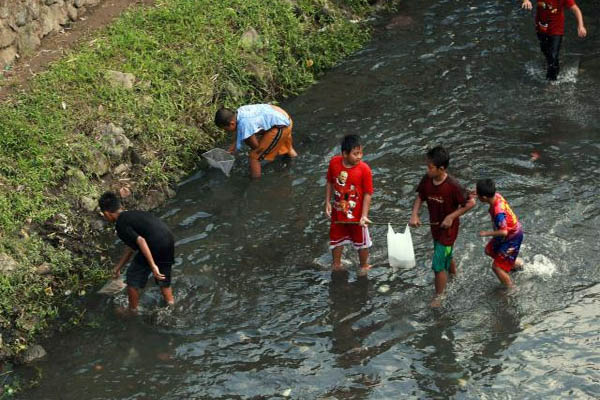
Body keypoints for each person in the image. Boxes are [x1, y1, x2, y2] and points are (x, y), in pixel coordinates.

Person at [409, 146, 475, 301]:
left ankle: (439, 297)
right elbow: (420, 196)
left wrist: (452, 216)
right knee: (445, 254)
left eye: (430, 167)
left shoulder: (453, 186)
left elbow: (471, 202)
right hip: (435, 228)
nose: (427, 170)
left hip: (448, 231)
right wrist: (414, 215)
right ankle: (454, 275)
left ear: (441, 168)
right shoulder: (427, 179)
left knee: (438, 265)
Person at [99, 192, 175, 312]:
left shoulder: (121, 224)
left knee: (132, 277)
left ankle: (132, 311)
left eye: (104, 215)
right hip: (168, 240)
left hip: (153, 244)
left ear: (106, 213)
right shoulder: (132, 215)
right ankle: (171, 305)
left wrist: (153, 266)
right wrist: (118, 268)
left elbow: (140, 241)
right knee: (163, 277)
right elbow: (131, 247)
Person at [325, 134, 373, 277]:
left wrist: (364, 215)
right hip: (338, 212)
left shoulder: (364, 169)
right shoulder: (334, 163)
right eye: (355, 153)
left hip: (357, 216)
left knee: (361, 243)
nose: (359, 156)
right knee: (336, 239)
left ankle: (364, 265)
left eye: (360, 153)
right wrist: (327, 202)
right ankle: (336, 264)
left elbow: (368, 193)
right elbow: (329, 182)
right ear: (344, 154)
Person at [214, 104, 298, 178]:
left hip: (281, 126)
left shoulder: (244, 124)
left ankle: (255, 183)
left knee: (254, 157)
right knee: (286, 147)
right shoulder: (240, 112)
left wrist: (260, 151)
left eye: (226, 129)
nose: (226, 131)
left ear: (232, 123)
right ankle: (295, 163)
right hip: (282, 116)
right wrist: (234, 145)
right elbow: (241, 130)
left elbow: (256, 147)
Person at [521, 0, 587, 81]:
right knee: (545, 51)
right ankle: (551, 64)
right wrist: (526, 0)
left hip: (557, 30)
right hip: (541, 28)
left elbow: (576, 9)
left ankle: (551, 83)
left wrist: (581, 26)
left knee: (553, 56)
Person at [476, 179, 524, 287]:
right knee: (489, 250)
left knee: (496, 267)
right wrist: (475, 192)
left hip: (512, 237)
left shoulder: (498, 212)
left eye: (477, 194)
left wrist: (486, 233)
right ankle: (516, 265)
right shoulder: (496, 195)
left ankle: (511, 289)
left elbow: (503, 232)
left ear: (483, 198)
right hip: (509, 234)